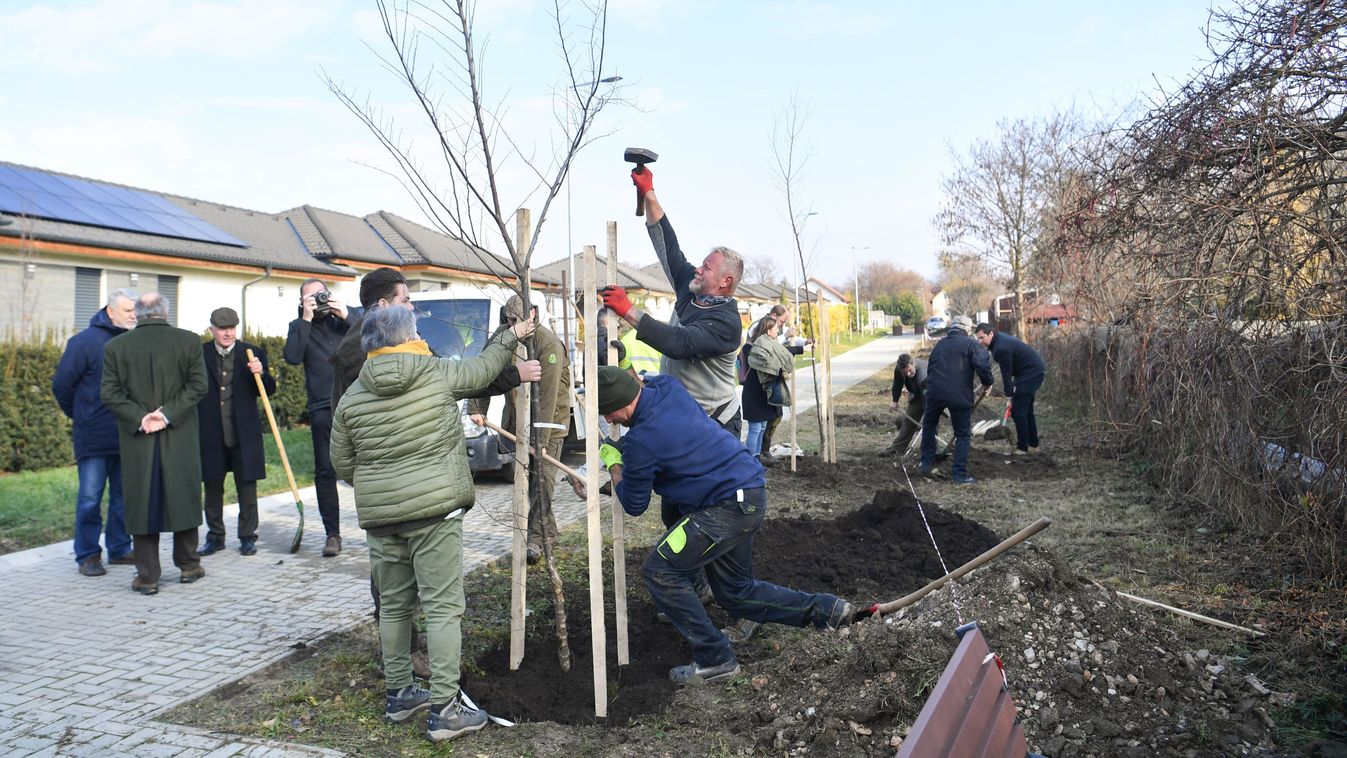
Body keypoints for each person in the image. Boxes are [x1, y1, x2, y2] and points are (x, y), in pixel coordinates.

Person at [330, 305, 536, 742]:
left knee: (394, 605)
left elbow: (342, 463)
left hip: (383, 520)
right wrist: (510, 334)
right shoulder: (435, 372)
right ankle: (445, 709)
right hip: (435, 514)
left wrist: (380, 486)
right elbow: (483, 370)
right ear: (410, 336)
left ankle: (400, 694)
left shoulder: (352, 395)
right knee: (443, 606)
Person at [593, 366, 868, 684]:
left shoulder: (641, 442)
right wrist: (621, 370)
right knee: (735, 593)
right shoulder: (668, 386)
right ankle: (827, 611)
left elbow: (635, 504)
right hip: (747, 490)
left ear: (622, 402)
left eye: (607, 412)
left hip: (723, 507)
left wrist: (614, 463)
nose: (608, 420)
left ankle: (715, 658)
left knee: (660, 570)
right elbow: (646, 380)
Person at [602, 165, 746, 535]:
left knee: (701, 508)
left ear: (725, 282)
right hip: (681, 420)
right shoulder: (693, 291)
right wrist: (650, 194)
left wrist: (629, 312)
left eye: (708, 267)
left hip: (714, 423)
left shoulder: (727, 323)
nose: (699, 268)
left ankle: (704, 579)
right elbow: (670, 249)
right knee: (674, 511)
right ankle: (692, 578)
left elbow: (680, 345)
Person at [100, 293, 208, 595]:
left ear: (138, 312)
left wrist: (141, 417)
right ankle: (188, 565)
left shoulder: (115, 347)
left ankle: (147, 576)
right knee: (183, 493)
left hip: (138, 438)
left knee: (142, 498)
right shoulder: (188, 341)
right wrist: (168, 414)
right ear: (165, 311)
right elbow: (199, 385)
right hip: (180, 434)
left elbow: (109, 393)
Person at [467, 295, 569, 565]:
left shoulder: (548, 344)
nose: (512, 325)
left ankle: (536, 540)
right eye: (508, 320)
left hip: (550, 423)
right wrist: (476, 406)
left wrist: (541, 438)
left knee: (542, 482)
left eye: (517, 320)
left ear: (532, 314)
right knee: (529, 482)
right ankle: (548, 532)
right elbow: (484, 369)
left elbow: (546, 397)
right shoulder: (504, 335)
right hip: (518, 421)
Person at [52, 288, 138, 577]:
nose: (134, 315)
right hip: (93, 438)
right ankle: (87, 555)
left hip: (126, 435)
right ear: (111, 311)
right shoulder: (84, 342)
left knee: (123, 497)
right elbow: (62, 386)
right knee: (90, 498)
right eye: (128, 311)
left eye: (135, 310)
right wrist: (81, 416)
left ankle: (120, 548)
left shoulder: (133, 342)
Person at [197, 307, 275, 557]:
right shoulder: (200, 353)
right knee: (212, 486)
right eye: (222, 328)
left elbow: (268, 389)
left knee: (247, 486)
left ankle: (247, 536)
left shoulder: (251, 353)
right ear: (212, 330)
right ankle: (215, 536)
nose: (228, 333)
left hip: (243, 432)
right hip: (211, 432)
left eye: (232, 328)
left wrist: (260, 373)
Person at [283, 278, 353, 556]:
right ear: (301, 302)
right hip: (322, 407)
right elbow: (292, 356)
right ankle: (332, 535)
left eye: (321, 295)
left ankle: (379, 529)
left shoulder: (344, 320)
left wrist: (345, 313)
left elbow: (371, 333)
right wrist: (306, 319)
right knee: (325, 471)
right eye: (309, 297)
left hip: (354, 402)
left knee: (367, 466)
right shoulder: (299, 326)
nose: (318, 300)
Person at [920, 315, 994, 485]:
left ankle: (925, 464)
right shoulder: (971, 345)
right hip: (959, 395)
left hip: (934, 393)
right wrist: (987, 383)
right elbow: (982, 364)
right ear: (966, 329)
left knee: (929, 426)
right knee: (962, 434)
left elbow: (931, 368)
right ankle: (959, 475)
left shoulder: (939, 344)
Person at [974, 323, 1047, 454]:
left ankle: (1022, 448)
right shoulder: (997, 340)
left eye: (981, 337)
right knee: (1026, 410)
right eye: (978, 338)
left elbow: (1006, 375)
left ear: (990, 334)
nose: (980, 341)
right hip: (1027, 372)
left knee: (1018, 412)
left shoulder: (1001, 348)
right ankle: (1034, 445)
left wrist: (1009, 397)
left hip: (1031, 373)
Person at [742, 313, 802, 466]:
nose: (778, 332)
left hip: (763, 395)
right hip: (753, 395)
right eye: (776, 329)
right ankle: (750, 461)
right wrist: (779, 368)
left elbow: (784, 352)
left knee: (761, 427)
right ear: (768, 331)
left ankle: (756, 458)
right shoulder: (754, 348)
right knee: (755, 429)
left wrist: (803, 348)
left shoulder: (771, 346)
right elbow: (770, 362)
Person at [885, 353, 928, 457]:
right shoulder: (899, 370)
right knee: (909, 421)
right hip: (917, 394)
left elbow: (927, 399)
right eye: (905, 372)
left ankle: (931, 449)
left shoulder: (923, 374)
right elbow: (897, 384)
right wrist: (895, 400)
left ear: (913, 364)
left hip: (932, 393)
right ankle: (897, 449)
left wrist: (928, 414)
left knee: (931, 422)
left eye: (909, 370)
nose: (908, 374)